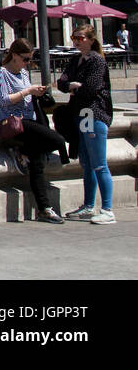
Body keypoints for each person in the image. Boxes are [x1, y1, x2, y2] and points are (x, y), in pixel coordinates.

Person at [0, 37, 69, 224]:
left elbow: (28, 97)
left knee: (37, 166)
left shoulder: (24, 74)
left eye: (30, 59)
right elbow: (3, 100)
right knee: (58, 140)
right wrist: (27, 92)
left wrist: (38, 93)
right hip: (15, 122)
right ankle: (25, 151)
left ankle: (44, 209)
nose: (28, 63)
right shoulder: (1, 73)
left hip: (30, 121)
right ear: (14, 56)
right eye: (26, 59)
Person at [59, 25, 115, 225]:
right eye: (74, 37)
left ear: (91, 39)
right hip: (81, 113)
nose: (76, 41)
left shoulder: (97, 61)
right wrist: (72, 86)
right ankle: (88, 205)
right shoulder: (76, 60)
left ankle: (107, 209)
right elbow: (61, 82)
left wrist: (74, 87)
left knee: (99, 163)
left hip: (93, 113)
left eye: (80, 38)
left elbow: (91, 89)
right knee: (87, 163)